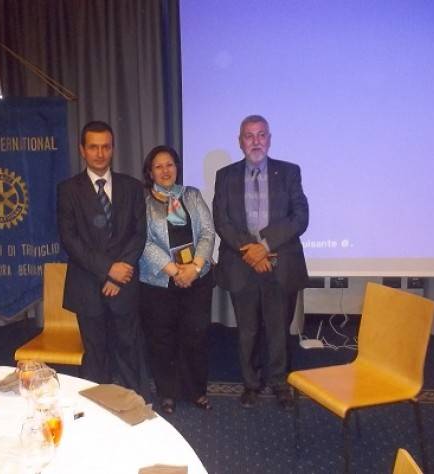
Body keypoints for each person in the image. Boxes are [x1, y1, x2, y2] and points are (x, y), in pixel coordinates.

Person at [213, 115, 309, 409]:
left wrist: (264, 246)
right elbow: (222, 220)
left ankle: (280, 383)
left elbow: (300, 218)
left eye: (261, 135)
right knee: (248, 329)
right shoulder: (225, 175)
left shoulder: (289, 172)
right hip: (242, 265)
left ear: (269, 139)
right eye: (249, 136)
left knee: (279, 327)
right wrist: (250, 251)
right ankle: (251, 384)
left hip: (281, 263)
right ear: (239, 141)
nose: (256, 141)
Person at [57, 120, 148, 396]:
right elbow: (70, 240)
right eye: (93, 147)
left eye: (105, 147)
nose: (100, 153)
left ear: (113, 149)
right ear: (82, 150)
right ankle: (96, 408)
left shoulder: (132, 187)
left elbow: (139, 234)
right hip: (87, 285)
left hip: (125, 283)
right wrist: (109, 269)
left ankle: (136, 404)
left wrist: (121, 273)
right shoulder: (68, 190)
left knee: (129, 348)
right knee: (95, 355)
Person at [139, 146, 215, 414]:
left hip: (197, 279)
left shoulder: (192, 195)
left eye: (169, 164)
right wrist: (173, 270)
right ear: (150, 172)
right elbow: (144, 242)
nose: (165, 170)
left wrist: (194, 267)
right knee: (162, 339)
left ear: (177, 167)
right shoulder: (143, 203)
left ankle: (196, 391)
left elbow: (207, 232)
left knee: (195, 336)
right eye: (158, 166)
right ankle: (167, 393)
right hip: (159, 283)